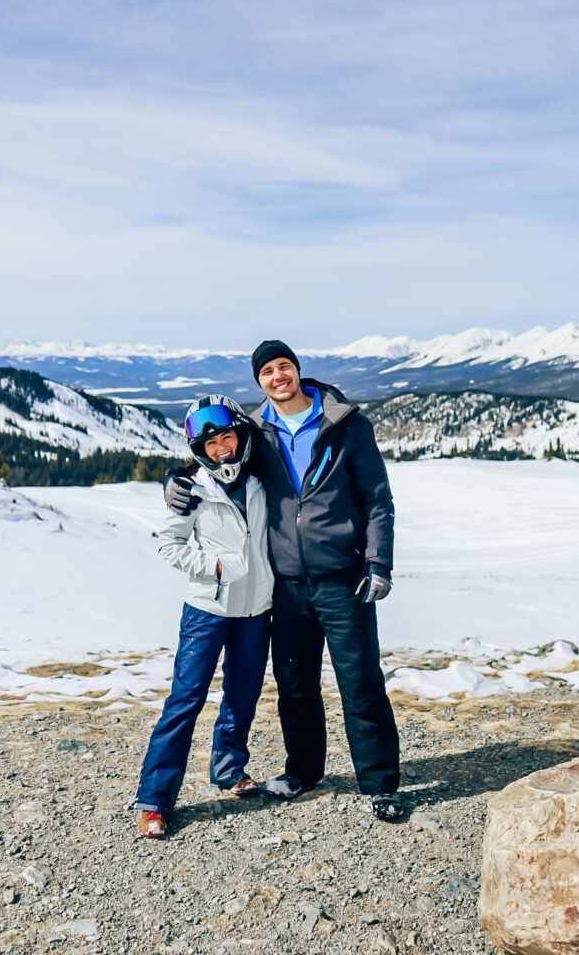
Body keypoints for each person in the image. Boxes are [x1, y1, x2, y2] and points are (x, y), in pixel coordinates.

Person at [165, 341, 402, 822]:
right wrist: (174, 479)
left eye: (284, 366)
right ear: (259, 382)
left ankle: (380, 783)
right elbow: (217, 464)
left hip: (343, 579)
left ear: (297, 370)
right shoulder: (256, 433)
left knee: (360, 684)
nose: (278, 376)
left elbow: (377, 498)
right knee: (295, 684)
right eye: (268, 371)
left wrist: (378, 563)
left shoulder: (346, 424)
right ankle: (304, 771)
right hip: (287, 585)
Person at [134, 395, 273, 837]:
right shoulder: (193, 489)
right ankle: (154, 799)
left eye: (227, 436)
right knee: (185, 700)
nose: (222, 448)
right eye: (211, 443)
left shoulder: (262, 482)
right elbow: (167, 544)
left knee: (243, 695)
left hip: (256, 609)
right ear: (199, 449)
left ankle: (230, 769)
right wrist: (211, 566)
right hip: (207, 610)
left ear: (240, 436)